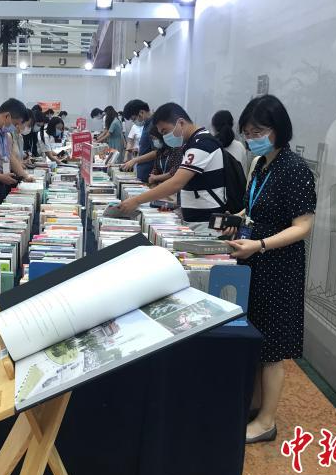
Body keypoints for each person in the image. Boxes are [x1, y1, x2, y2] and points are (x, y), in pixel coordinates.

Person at [222, 95, 316, 444]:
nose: (251, 138)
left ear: (278, 130)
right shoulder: (262, 164)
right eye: (247, 133)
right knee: (258, 340)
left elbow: (303, 226)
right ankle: (255, 406)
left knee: (273, 349)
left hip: (279, 266)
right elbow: (253, 210)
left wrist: (260, 244)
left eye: (258, 132)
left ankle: (267, 422)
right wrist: (236, 221)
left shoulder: (294, 169)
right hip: (256, 262)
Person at [118, 102, 225, 231]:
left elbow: (176, 182)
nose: (164, 137)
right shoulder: (191, 143)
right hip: (196, 219)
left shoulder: (201, 144)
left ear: (181, 123)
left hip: (205, 223)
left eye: (165, 131)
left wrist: (136, 201)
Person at [120, 99, 154, 182]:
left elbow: (157, 152)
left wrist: (135, 160)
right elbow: (149, 147)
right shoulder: (146, 124)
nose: (135, 122)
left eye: (134, 119)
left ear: (141, 112)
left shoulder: (153, 125)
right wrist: (138, 149)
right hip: (143, 170)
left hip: (150, 172)